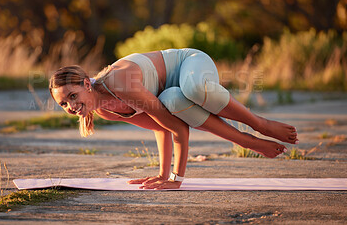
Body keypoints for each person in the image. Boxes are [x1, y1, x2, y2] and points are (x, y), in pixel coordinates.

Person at [49, 48, 298, 190]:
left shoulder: (119, 84)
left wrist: (176, 180)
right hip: (169, 92)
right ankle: (247, 141)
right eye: (63, 103)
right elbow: (163, 126)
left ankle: (259, 124)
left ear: (85, 84)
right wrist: (162, 174)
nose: (71, 106)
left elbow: (177, 127)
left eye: (73, 95)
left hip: (190, 64)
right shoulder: (104, 110)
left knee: (191, 90)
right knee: (173, 101)